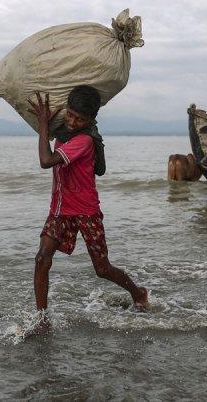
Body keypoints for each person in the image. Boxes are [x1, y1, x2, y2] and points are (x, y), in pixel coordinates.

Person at [27, 87, 149, 327]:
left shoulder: (83, 140)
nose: (73, 122)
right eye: (70, 115)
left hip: (86, 211)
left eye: (80, 119)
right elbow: (53, 137)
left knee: (102, 269)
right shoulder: (63, 131)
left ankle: (138, 293)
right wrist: (47, 123)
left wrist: (42, 125)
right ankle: (42, 320)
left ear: (92, 120)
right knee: (42, 259)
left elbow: (46, 161)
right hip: (60, 209)